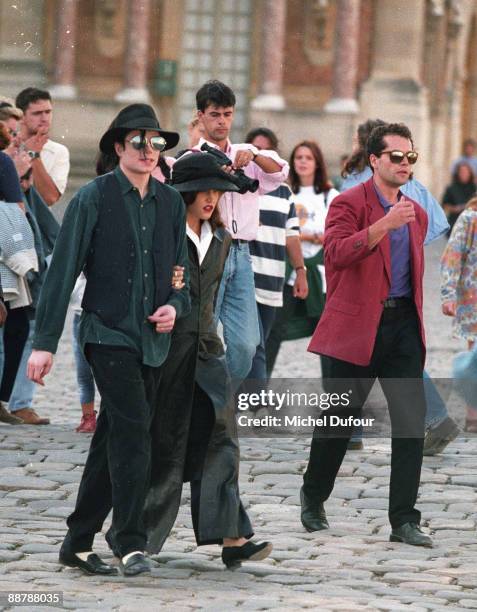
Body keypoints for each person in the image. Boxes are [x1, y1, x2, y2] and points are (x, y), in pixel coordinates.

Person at [27, 104, 190, 577]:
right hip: (105, 334)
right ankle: (129, 539)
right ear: (118, 147)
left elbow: (180, 272)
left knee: (113, 436)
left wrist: (174, 306)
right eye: (137, 141)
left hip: (152, 341)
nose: (148, 149)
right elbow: (62, 270)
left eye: (156, 142)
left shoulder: (171, 203)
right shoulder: (93, 198)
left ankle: (77, 542)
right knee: (135, 429)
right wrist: (44, 342)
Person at [302, 123, 433, 548]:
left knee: (411, 423)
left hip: (401, 329)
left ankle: (404, 520)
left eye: (410, 157)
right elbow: (336, 253)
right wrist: (384, 225)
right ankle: (314, 494)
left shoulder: (418, 214)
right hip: (357, 327)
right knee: (340, 421)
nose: (404, 164)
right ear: (374, 160)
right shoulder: (347, 202)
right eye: (396, 156)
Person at [143, 152, 272, 568]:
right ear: (186, 193)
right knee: (167, 444)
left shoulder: (223, 240)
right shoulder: (164, 236)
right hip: (167, 353)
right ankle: (139, 537)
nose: (212, 198)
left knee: (222, 440)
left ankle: (233, 539)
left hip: (207, 352)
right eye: (205, 190)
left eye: (218, 190)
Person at [342, 118, 458, 456]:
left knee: (360, 356)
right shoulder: (411, 185)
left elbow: (341, 240)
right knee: (387, 358)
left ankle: (350, 431)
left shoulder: (359, 184)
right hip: (398, 288)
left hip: (367, 286)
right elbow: (435, 227)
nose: (403, 163)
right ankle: (355, 430)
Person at [195, 80, 289, 382]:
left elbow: (281, 172)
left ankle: (219, 393)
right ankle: (208, 406)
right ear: (201, 116)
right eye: (214, 114)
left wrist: (255, 156)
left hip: (243, 254)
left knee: (247, 344)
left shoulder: (246, 153)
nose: (222, 121)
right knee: (204, 337)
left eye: (227, 114)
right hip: (208, 252)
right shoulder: (191, 159)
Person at [266, 140, 338, 378]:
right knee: (272, 331)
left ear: (317, 163)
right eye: (299, 157)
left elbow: (338, 235)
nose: (303, 162)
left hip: (319, 276)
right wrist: (308, 235)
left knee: (328, 339)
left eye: (308, 157)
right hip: (287, 273)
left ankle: (334, 401)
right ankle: (256, 393)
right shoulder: (285, 193)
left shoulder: (330, 196)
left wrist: (307, 236)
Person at [244, 128, 307, 381]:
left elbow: (291, 234)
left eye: (265, 151)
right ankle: (255, 402)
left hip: (273, 278)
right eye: (253, 150)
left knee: (262, 343)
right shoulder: (238, 185)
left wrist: (300, 271)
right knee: (253, 343)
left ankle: (241, 400)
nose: (258, 156)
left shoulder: (284, 192)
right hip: (243, 275)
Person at [441, 196, 477, 432]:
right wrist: (448, 293)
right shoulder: (470, 218)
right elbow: (452, 256)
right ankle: (473, 414)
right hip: (473, 298)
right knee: (474, 357)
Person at [15, 88, 70, 206]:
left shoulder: (59, 151)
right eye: (37, 113)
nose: (45, 118)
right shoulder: (7, 146)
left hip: (36, 223)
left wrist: (34, 155)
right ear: (21, 117)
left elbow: (49, 199)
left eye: (48, 112)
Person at [441, 162, 476, 235]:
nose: (464, 174)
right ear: (458, 173)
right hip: (455, 224)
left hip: (472, 226)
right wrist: (455, 209)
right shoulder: (451, 188)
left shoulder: (475, 188)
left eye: (466, 172)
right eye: (462, 172)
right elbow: (444, 205)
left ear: (470, 173)